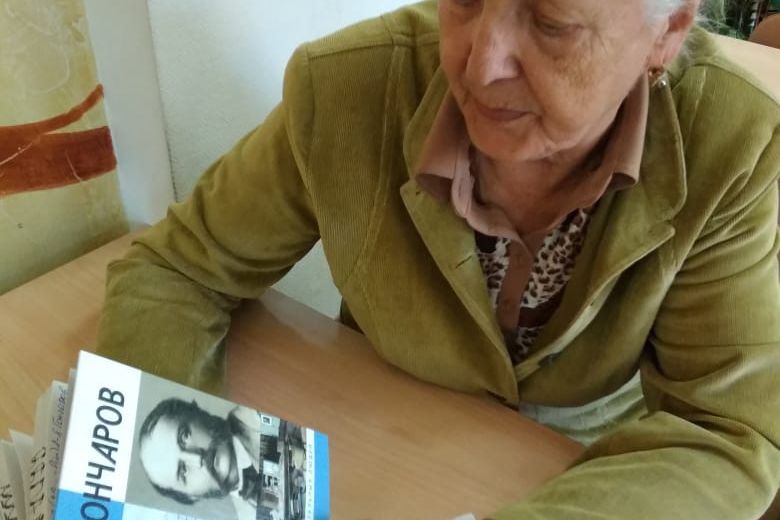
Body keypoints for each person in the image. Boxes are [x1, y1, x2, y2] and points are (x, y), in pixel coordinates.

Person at [98, 0, 780, 517]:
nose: (479, 67)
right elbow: (178, 269)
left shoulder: (734, 142)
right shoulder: (343, 89)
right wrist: (158, 491)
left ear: (666, 33)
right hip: (376, 433)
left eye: (550, 23)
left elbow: (724, 429)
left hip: (595, 465)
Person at [137, 399, 270, 519]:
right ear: (192, 497)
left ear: (199, 414)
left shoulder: (262, 412)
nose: (198, 458)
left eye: (185, 436)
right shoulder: (247, 516)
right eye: (183, 471)